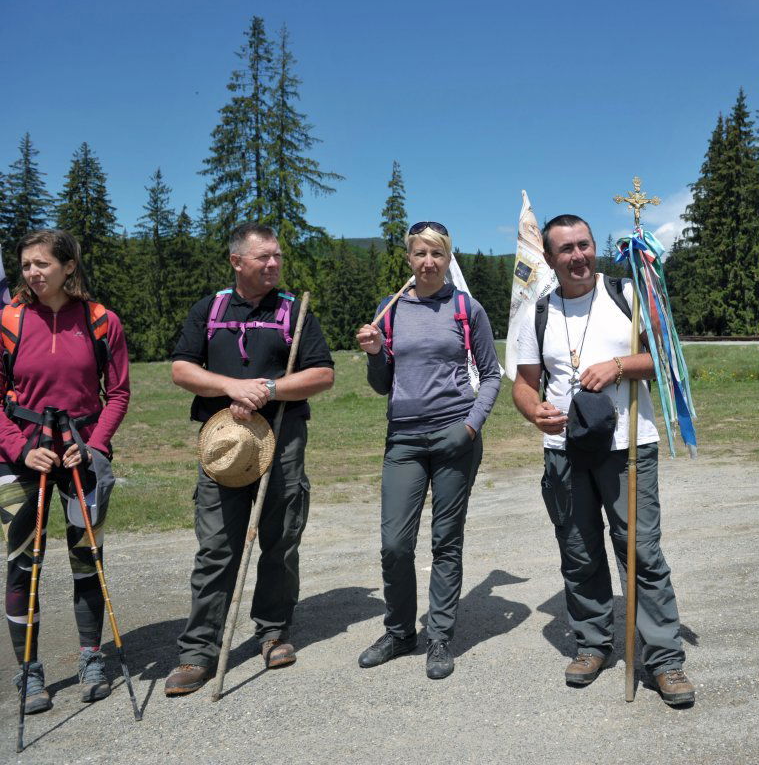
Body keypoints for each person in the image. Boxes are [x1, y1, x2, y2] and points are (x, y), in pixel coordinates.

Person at [511, 214, 695, 706]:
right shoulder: (537, 312)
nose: (578, 256)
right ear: (549, 259)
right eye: (566, 249)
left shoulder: (629, 297)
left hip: (629, 447)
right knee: (579, 552)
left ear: (596, 247)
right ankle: (592, 643)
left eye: (584, 245)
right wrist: (535, 413)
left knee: (641, 551)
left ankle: (663, 659)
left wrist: (617, 366)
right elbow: (524, 384)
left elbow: (665, 358)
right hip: (564, 453)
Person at [165, 222, 334, 696]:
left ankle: (273, 631)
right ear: (237, 262)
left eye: (277, 256)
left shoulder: (293, 311)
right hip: (223, 442)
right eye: (264, 258)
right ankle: (199, 652)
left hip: (282, 437)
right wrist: (231, 387)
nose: (274, 264)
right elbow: (181, 368)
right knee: (217, 545)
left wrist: (268, 389)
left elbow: (322, 374)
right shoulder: (211, 309)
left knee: (280, 539)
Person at [354, 221, 501, 680]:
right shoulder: (390, 309)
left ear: (447, 258)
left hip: (455, 436)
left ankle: (439, 635)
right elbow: (382, 385)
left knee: (445, 540)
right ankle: (400, 632)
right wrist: (376, 352)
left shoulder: (465, 307)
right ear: (409, 259)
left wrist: (471, 427)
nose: (429, 262)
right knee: (395, 544)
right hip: (404, 439)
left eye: (437, 254)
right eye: (420, 253)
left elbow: (493, 374)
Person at [0, 228, 130, 712]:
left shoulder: (101, 321)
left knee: (87, 560)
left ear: (68, 266)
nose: (33, 273)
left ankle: (91, 657)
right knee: (21, 563)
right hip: (18, 456)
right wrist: (17, 447)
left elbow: (117, 393)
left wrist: (93, 447)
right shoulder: (7, 320)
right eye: (27, 265)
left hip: (82, 452)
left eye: (43, 264)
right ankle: (29, 672)